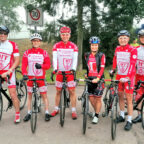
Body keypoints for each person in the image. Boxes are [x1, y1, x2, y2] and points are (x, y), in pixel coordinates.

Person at [110, 30, 137, 131]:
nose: (122, 40)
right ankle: (122, 115)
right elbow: (115, 59)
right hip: (119, 75)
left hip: (129, 76)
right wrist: (113, 69)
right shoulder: (117, 48)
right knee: (120, 95)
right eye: (121, 38)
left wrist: (127, 77)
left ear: (128, 39)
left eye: (125, 38)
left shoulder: (132, 49)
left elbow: (132, 64)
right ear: (118, 39)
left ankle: (129, 120)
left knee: (129, 98)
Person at [22, 33, 51, 121]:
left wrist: (41, 66)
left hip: (41, 78)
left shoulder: (44, 53)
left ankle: (46, 112)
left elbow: (48, 65)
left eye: (37, 41)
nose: (36, 42)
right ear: (32, 42)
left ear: (40, 42)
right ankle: (29, 112)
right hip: (30, 78)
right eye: (34, 41)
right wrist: (24, 74)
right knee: (30, 96)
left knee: (44, 95)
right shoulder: (27, 53)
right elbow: (24, 65)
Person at [51, 26, 78, 120]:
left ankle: (73, 110)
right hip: (59, 72)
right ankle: (56, 109)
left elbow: (75, 59)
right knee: (58, 91)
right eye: (63, 34)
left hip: (69, 72)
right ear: (60, 35)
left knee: (71, 91)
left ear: (69, 35)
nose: (65, 36)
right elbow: (54, 58)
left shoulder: (74, 46)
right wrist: (55, 69)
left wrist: (73, 69)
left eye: (67, 34)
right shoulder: (56, 46)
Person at [0, 25, 20, 123]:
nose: (2, 35)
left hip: (9, 71)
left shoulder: (12, 44)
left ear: (7, 35)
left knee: (12, 94)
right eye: (1, 33)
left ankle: (17, 114)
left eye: (4, 33)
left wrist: (10, 70)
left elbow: (17, 60)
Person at [84, 36, 106, 124]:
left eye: (96, 45)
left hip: (99, 80)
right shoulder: (86, 55)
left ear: (98, 46)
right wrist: (86, 74)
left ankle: (96, 115)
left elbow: (102, 68)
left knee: (98, 99)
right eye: (92, 45)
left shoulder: (101, 55)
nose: (94, 47)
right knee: (91, 98)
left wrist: (98, 78)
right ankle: (96, 111)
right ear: (90, 45)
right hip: (90, 79)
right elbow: (87, 67)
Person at [132, 29, 144, 123]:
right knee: (138, 97)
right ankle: (139, 116)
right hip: (138, 76)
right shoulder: (136, 50)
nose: (143, 39)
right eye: (141, 37)